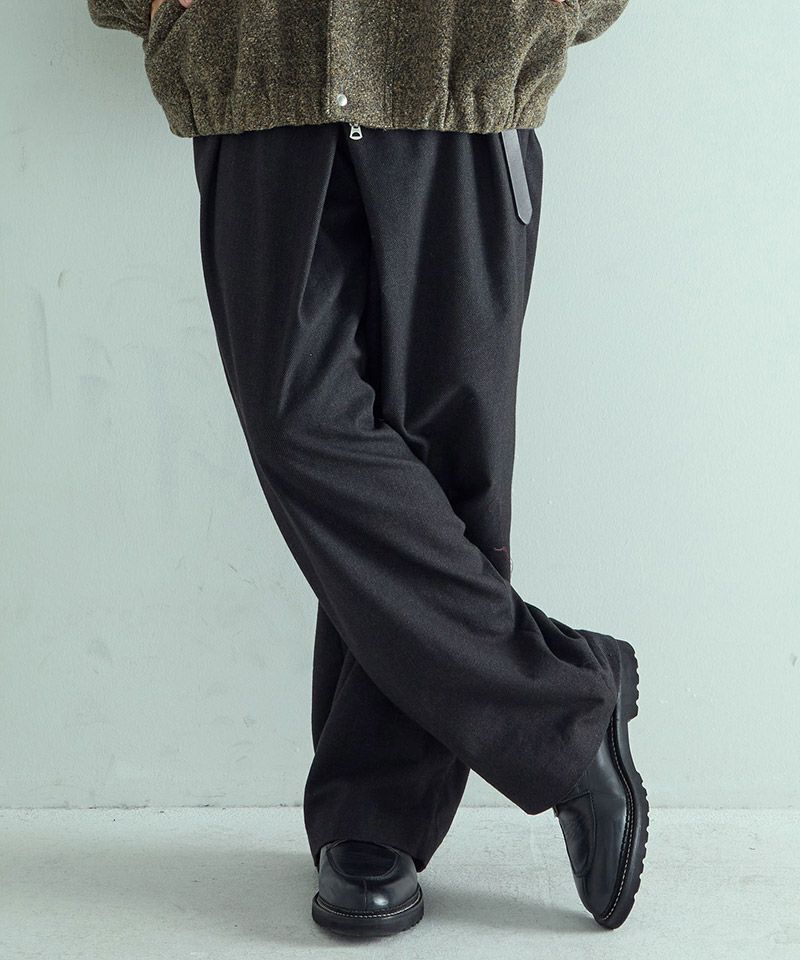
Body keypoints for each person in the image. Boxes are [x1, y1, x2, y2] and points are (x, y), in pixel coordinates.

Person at [87, 0, 647, 938]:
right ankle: (561, 708)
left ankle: (374, 813)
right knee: (298, 428)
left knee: (448, 476)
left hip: (459, 70)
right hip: (260, 66)